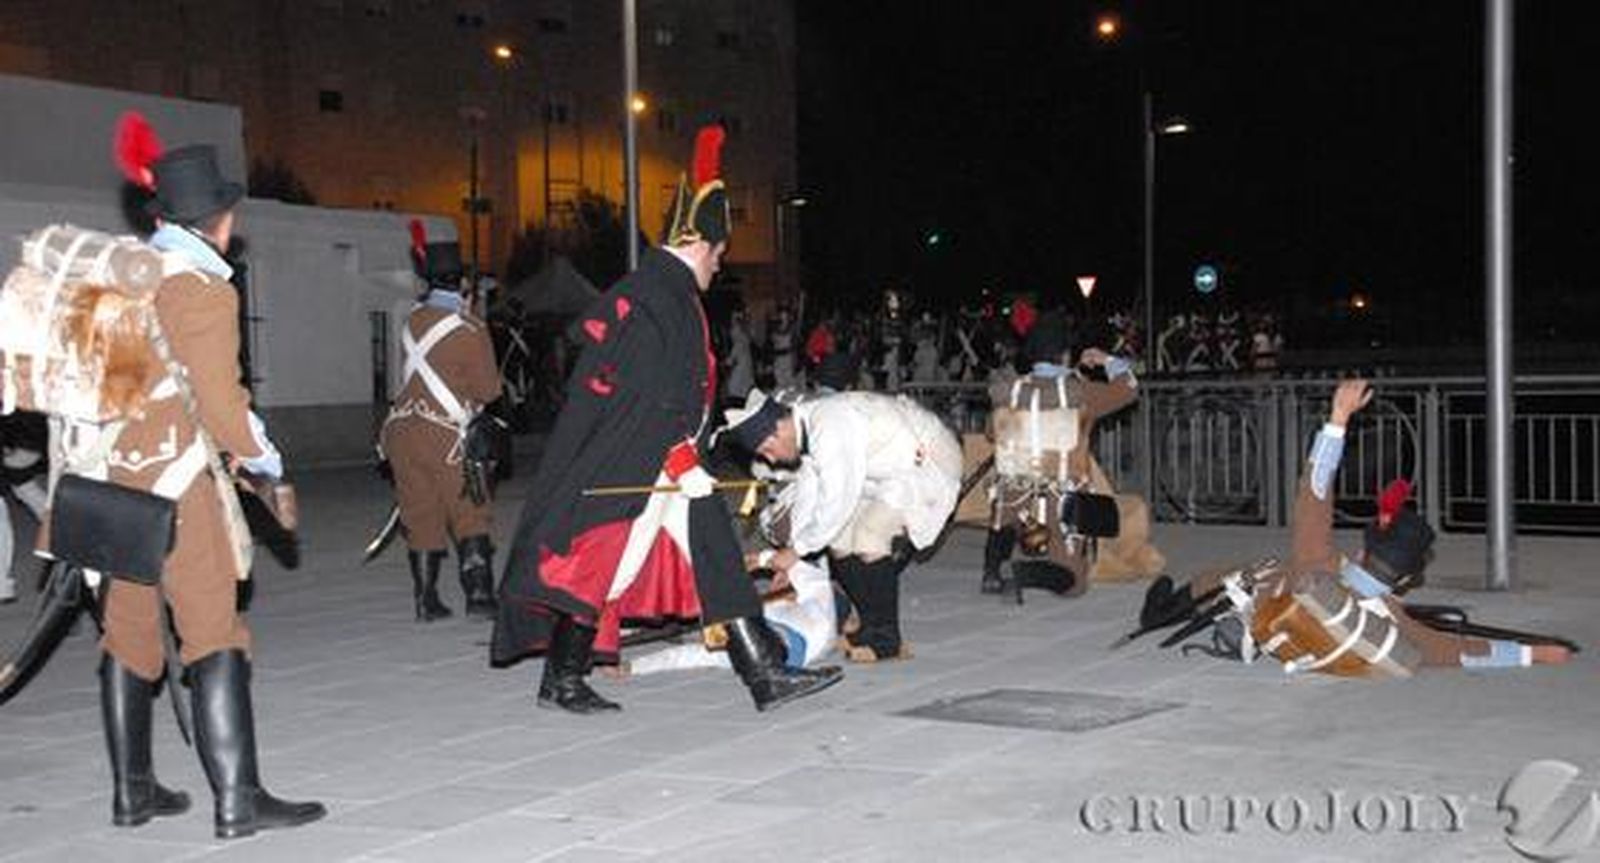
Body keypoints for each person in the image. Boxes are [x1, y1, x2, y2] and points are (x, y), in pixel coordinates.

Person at [492, 125, 842, 714]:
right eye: (720, 252)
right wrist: (682, 459)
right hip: (648, 458)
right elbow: (652, 395)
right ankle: (755, 675)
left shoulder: (660, 289)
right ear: (701, 245)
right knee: (608, 561)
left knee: (695, 556)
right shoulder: (664, 297)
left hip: (655, 457)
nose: (721, 263)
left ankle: (751, 674)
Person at [89, 116, 324, 837]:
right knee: (214, 635)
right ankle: (237, 801)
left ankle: (133, 794)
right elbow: (223, 406)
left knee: (127, 637)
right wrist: (267, 462)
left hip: (115, 484)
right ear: (217, 220)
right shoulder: (203, 291)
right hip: (182, 488)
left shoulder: (124, 282)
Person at [1142, 380, 1572, 672]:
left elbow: (1315, 489)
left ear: (1364, 552)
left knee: (1229, 571)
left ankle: (1162, 609)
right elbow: (1461, 654)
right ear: (1405, 580)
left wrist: (1338, 418)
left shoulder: (1319, 561)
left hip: (1265, 595)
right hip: (1310, 642)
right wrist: (1535, 654)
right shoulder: (1395, 620)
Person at [722, 387, 963, 662]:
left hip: (928, 461)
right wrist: (792, 554)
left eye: (767, 449)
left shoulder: (829, 425)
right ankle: (870, 626)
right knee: (839, 541)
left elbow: (838, 498)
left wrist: (797, 551)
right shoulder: (809, 431)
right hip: (884, 476)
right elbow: (813, 500)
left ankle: (887, 639)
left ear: (780, 429)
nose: (772, 460)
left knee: (869, 535)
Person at [379, 227, 503, 622]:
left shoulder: (411, 321)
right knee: (470, 511)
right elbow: (488, 390)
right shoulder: (469, 329)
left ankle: (426, 600)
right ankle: (480, 596)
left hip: (401, 431)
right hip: (445, 434)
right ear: (464, 283)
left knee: (420, 513)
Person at [981, 313, 1143, 598]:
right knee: (1073, 583)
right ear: (1066, 355)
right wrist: (1106, 360)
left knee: (1003, 504)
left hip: (1015, 498)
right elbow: (1129, 389)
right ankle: (1024, 573)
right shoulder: (1080, 392)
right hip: (1062, 500)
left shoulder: (1011, 391)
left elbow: (992, 434)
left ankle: (993, 569)